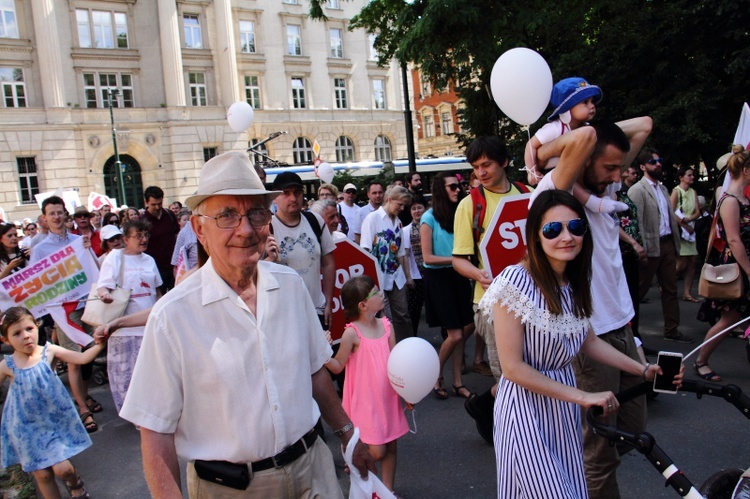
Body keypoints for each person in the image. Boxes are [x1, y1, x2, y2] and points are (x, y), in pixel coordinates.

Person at [119, 151, 374, 498]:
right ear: (199, 229)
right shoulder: (173, 316)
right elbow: (155, 432)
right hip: (230, 489)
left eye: (255, 213)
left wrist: (347, 432)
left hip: (313, 472)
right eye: (227, 215)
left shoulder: (290, 286)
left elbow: (315, 371)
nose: (245, 229)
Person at [478, 190, 676, 499]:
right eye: (553, 229)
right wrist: (583, 396)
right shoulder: (514, 282)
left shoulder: (575, 284)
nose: (566, 237)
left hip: (563, 411)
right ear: (535, 236)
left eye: (576, 227)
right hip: (525, 411)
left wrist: (644, 369)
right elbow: (513, 369)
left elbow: (589, 342)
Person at [531, 118, 653, 499]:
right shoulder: (557, 195)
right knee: (599, 452)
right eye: (610, 167)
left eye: (620, 167)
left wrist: (599, 156)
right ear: (583, 161)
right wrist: (541, 150)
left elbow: (644, 126)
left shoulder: (603, 187)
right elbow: (584, 137)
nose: (619, 175)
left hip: (620, 325)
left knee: (633, 428)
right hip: (589, 334)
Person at [452, 136, 533, 443]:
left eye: (486, 164)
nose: (481, 172)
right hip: (492, 303)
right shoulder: (470, 205)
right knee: (511, 373)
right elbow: (458, 259)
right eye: (475, 167)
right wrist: (479, 275)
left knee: (533, 368)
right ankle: (520, 438)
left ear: (505, 162)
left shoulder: (529, 194)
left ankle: (484, 405)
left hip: (533, 298)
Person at [0, 306, 108, 499]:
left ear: (37, 326)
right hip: (25, 428)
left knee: (63, 470)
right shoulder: (7, 365)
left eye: (29, 329)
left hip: (52, 423)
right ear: (5, 340)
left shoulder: (48, 351)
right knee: (43, 475)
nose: (25, 336)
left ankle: (76, 483)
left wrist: (101, 344)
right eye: (17, 333)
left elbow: (82, 358)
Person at [324, 275, 410, 494]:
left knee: (391, 445)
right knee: (377, 451)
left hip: (387, 398)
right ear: (362, 305)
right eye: (375, 293)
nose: (381, 294)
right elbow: (337, 366)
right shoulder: (351, 333)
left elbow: (396, 362)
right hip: (366, 402)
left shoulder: (386, 325)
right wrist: (323, 351)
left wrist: (407, 392)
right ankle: (356, 468)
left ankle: (387, 492)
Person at [30, 196, 101, 434]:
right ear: (45, 217)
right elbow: (37, 283)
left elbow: (92, 268)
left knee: (90, 352)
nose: (57, 217)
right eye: (52, 213)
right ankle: (82, 407)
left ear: (65, 215)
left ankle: (85, 395)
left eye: (60, 212)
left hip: (85, 304)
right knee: (73, 357)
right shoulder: (40, 249)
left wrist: (88, 251)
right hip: (63, 310)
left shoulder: (78, 241)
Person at [524, 77, 628, 216]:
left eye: (592, 102)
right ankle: (594, 204)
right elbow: (530, 145)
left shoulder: (587, 129)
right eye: (585, 102)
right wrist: (531, 170)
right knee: (572, 182)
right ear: (567, 108)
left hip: (573, 167)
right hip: (557, 171)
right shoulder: (554, 129)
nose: (592, 106)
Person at [695, 150, 750, 381]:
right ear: (745, 171)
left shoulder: (742, 199)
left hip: (743, 264)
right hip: (737, 267)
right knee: (729, 320)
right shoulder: (730, 200)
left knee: (733, 319)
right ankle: (700, 361)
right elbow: (734, 240)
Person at [97, 219, 162, 412]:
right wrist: (105, 295)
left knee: (150, 374)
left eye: (146, 235)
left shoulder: (149, 260)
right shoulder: (115, 257)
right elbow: (103, 285)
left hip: (148, 326)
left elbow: (156, 292)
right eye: (138, 236)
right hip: (124, 329)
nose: (143, 239)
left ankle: (151, 410)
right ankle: (134, 413)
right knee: (127, 374)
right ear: (126, 239)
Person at [628, 150, 692, 343]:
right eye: (652, 161)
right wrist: (640, 247)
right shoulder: (637, 190)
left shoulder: (663, 189)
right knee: (638, 291)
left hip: (667, 243)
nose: (657, 164)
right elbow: (635, 221)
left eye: (659, 160)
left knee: (671, 290)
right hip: (650, 246)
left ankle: (672, 330)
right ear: (642, 167)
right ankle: (629, 334)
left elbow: (669, 217)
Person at [421, 173, 475, 399]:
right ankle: (435, 376)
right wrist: (456, 259)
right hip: (439, 279)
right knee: (454, 334)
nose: (457, 190)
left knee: (463, 330)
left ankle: (457, 383)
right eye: (452, 186)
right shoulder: (428, 217)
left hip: (459, 276)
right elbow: (427, 257)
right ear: (440, 190)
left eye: (459, 186)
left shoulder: (460, 213)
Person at [271, 172, 336, 328]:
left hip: (317, 309)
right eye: (286, 193)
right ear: (275, 198)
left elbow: (328, 263)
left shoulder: (315, 220)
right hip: (286, 316)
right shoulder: (268, 227)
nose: (293, 198)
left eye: (297, 193)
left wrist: (327, 301)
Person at [360, 185, 414, 342]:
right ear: (389, 200)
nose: (402, 208)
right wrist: (370, 284)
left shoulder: (397, 222)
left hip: (397, 276)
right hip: (379, 278)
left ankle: (407, 346)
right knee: (385, 318)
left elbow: (401, 253)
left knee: (403, 315)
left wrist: (408, 277)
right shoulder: (372, 219)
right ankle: (389, 350)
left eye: (404, 205)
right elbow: (366, 251)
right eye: (400, 204)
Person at [616, 165, 648, 343]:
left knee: (633, 296)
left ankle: (636, 338)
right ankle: (630, 340)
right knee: (626, 297)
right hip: (620, 251)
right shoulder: (609, 193)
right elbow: (612, 222)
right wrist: (633, 242)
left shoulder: (623, 191)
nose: (628, 169)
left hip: (629, 252)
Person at [670, 165, 701, 302]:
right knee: (681, 263)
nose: (692, 177)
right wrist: (683, 224)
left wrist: (690, 220)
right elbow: (670, 211)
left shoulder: (693, 192)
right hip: (681, 229)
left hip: (690, 228)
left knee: (692, 262)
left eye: (692, 175)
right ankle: (666, 281)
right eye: (689, 175)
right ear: (681, 177)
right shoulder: (676, 192)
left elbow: (698, 211)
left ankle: (687, 292)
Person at [142, 186, 179, 293]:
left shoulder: (169, 215)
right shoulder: (143, 220)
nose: (157, 207)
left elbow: (176, 236)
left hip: (173, 266)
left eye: (160, 203)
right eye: (153, 204)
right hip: (155, 269)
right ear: (146, 202)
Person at [403, 195, 427, 337]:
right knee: (414, 313)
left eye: (419, 208)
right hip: (415, 276)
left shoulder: (432, 227)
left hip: (432, 274)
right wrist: (408, 277)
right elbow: (405, 254)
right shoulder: (406, 230)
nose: (417, 211)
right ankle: (412, 340)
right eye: (413, 208)